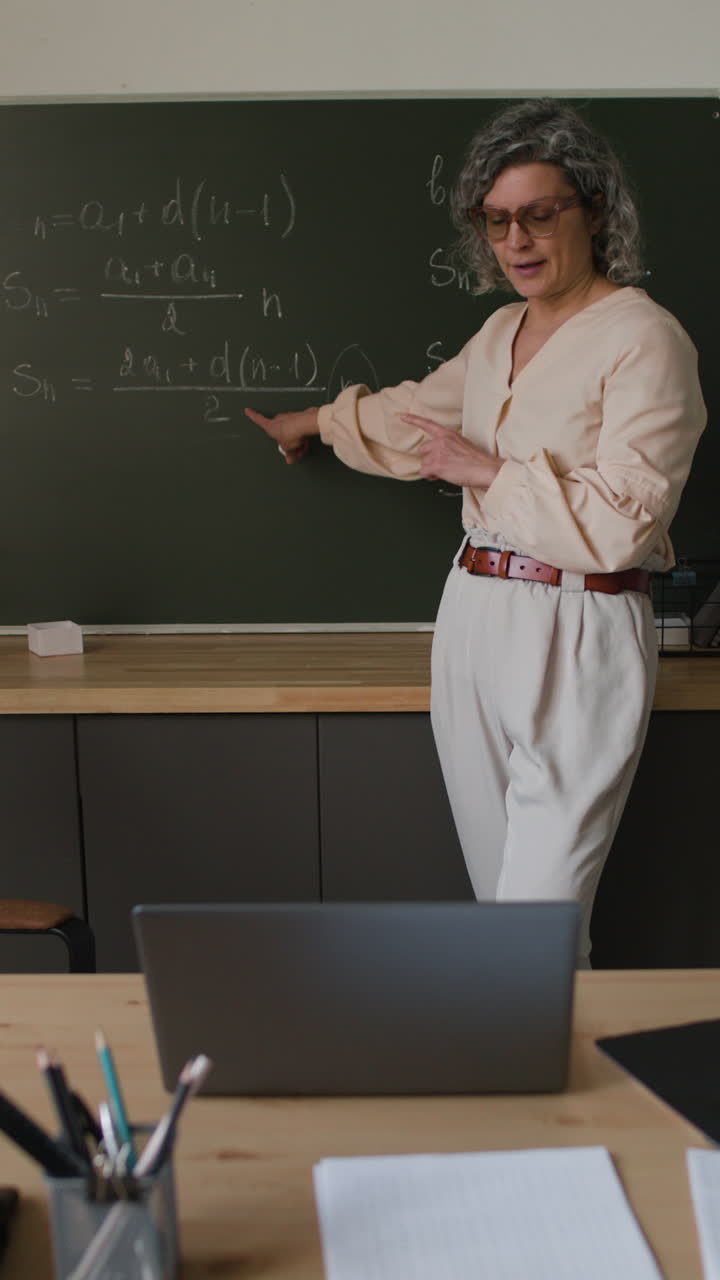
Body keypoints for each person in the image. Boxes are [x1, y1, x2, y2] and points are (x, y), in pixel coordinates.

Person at [245, 98, 706, 966]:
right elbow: (414, 415)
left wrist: (488, 471)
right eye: (497, 222)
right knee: (501, 906)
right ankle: (523, 1070)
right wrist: (305, 421)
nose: (518, 241)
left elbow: (624, 522)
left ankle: (546, 1081)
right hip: (474, 615)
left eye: (539, 213)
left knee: (539, 912)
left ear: (595, 210)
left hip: (579, 624)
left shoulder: (646, 339)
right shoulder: (501, 332)